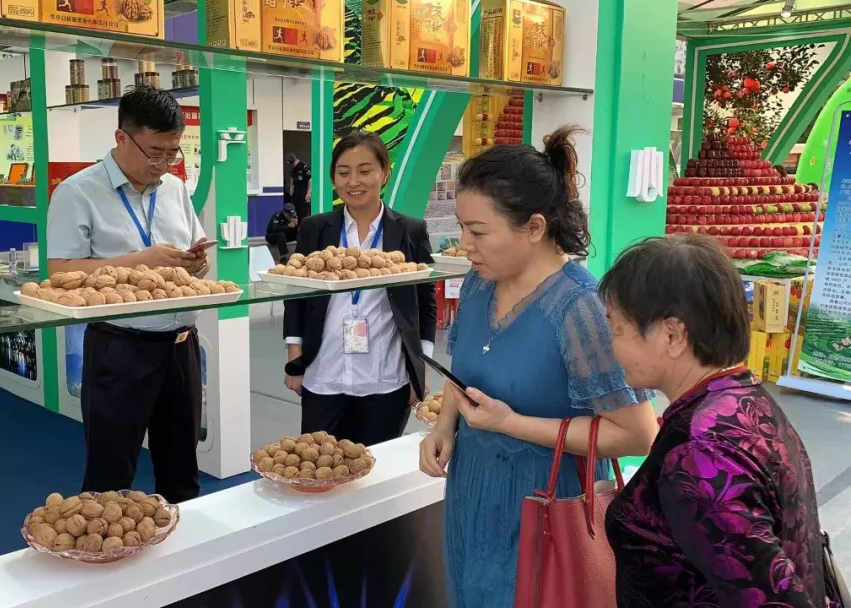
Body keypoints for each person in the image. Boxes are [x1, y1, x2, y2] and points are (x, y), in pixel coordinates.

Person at [417, 126, 658, 607]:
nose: (464, 244)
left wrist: (512, 424)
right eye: (462, 228)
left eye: (478, 231)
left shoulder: (579, 308)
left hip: (547, 505)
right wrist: (444, 427)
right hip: (471, 492)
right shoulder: (478, 284)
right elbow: (462, 376)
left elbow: (638, 434)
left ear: (533, 227)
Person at [600, 234, 828, 607]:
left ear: (673, 335)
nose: (612, 346)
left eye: (617, 330)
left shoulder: (701, 451)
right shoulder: (741, 398)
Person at [47, 86, 210, 503]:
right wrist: (142, 261)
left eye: (172, 153)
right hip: (120, 349)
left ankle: (187, 542)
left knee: (182, 471)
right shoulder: (77, 192)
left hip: (181, 348)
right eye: (155, 152)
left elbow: (191, 249)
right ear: (122, 138)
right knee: (110, 475)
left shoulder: (175, 189)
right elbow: (60, 273)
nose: (164, 164)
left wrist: (194, 263)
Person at [283, 131, 436, 446]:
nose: (353, 181)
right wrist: (295, 360)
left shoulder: (411, 230)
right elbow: (296, 296)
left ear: (385, 173)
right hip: (324, 374)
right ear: (333, 178)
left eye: (365, 171)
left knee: (377, 466)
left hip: (386, 378)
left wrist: (420, 368)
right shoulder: (314, 228)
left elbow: (425, 302)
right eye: (343, 172)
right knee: (321, 463)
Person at [286, 152, 312, 220]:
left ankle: (304, 224)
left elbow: (310, 179)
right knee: (295, 210)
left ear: (295, 160)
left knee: (303, 211)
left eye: (292, 163)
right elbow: (292, 178)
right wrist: (291, 188)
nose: (292, 165)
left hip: (303, 190)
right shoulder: (293, 169)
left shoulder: (304, 166)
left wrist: (308, 192)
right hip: (296, 191)